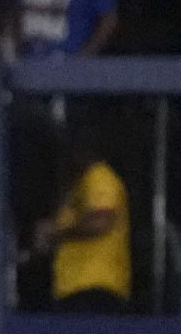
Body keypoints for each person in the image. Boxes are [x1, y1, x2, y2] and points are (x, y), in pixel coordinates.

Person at [35, 130, 130, 314]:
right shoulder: (78, 184)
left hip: (95, 286)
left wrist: (57, 233)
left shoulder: (99, 177)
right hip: (73, 288)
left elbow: (101, 222)